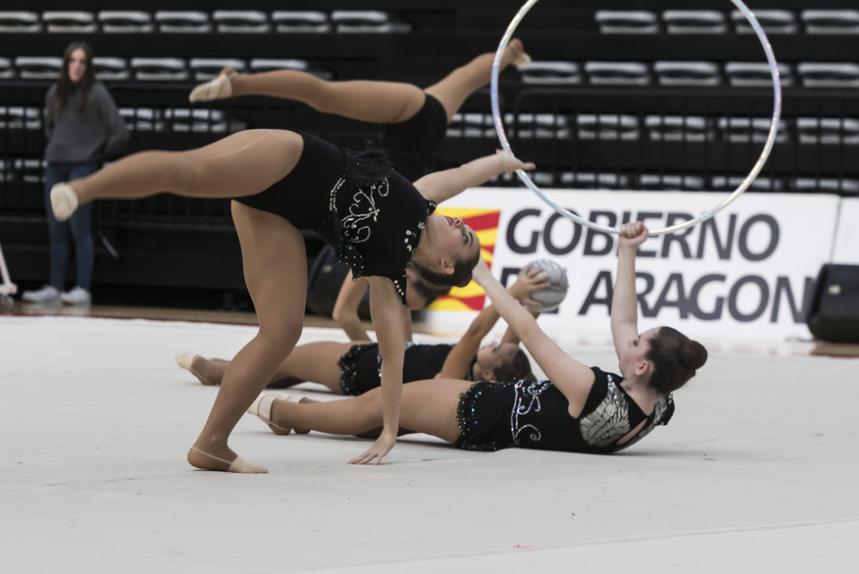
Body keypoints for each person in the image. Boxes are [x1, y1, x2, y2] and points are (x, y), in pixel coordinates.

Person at [48, 105, 535, 474]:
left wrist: (389, 429)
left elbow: (393, 360)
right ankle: (83, 190)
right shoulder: (421, 200)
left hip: (276, 214)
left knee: (281, 330)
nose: (458, 222)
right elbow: (463, 175)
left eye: (464, 234)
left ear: (447, 261)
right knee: (189, 173)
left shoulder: (387, 278)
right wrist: (500, 161)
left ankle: (211, 444)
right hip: (289, 159)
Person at [248, 223, 708, 456]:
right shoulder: (657, 405)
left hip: (477, 410)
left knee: (379, 407)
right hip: (489, 416)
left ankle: (287, 413)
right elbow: (624, 320)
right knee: (390, 412)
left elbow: (529, 332)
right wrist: (627, 253)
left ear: (642, 365)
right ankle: (306, 414)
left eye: (637, 343)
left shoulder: (594, 392)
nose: (627, 339)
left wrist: (483, 273)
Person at [191, 39, 531, 341]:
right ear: (420, 274)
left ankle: (512, 53)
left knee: (466, 76)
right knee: (327, 95)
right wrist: (502, 162)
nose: (399, 299)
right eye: (407, 295)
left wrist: (373, 357)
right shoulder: (404, 239)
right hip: (416, 118)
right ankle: (238, 83)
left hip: (405, 135)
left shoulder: (382, 252)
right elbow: (463, 175)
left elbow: (347, 314)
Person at [175, 266, 549, 392]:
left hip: (360, 367)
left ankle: (215, 371)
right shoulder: (481, 375)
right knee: (284, 372)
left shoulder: (457, 373)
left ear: (485, 371)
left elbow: (474, 334)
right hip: (385, 361)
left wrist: (509, 292)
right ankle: (226, 371)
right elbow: (515, 338)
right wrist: (531, 303)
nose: (499, 342)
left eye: (496, 348)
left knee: (282, 360)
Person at [22, 41, 128, 307]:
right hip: (56, 163)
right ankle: (55, 286)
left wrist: (96, 152)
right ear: (65, 64)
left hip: (83, 165)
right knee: (56, 226)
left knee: (79, 226)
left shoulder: (97, 93)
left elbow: (120, 132)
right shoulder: (54, 93)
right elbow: (50, 127)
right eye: (72, 60)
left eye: (82, 61)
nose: (76, 66)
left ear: (88, 66)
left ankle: (82, 288)